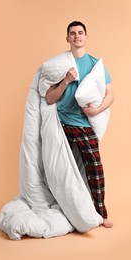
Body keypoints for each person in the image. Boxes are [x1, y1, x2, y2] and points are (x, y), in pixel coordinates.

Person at [46, 21, 114, 228]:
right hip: (62, 123)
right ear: (67, 38)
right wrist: (66, 80)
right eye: (72, 33)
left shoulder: (95, 64)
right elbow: (50, 98)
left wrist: (96, 110)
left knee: (94, 168)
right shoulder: (60, 64)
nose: (77, 36)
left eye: (80, 33)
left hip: (83, 124)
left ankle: (101, 213)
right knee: (61, 169)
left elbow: (110, 95)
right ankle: (64, 210)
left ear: (86, 36)